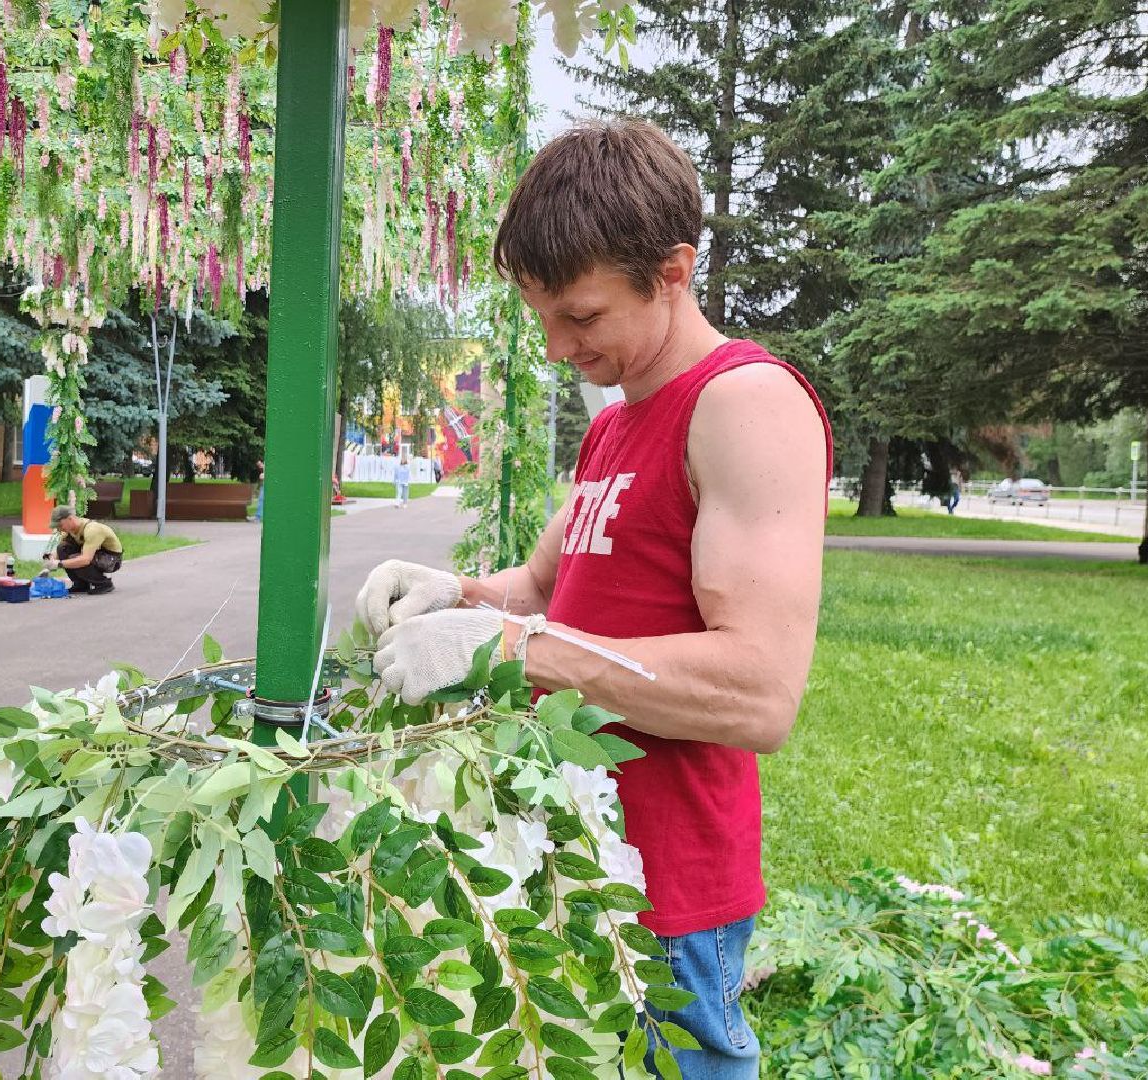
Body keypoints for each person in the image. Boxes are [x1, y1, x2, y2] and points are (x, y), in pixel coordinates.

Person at [356, 120, 831, 1079]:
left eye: (580, 315)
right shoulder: (616, 424)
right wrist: (454, 594)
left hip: (666, 898)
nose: (556, 346)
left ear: (674, 270)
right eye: (542, 317)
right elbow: (546, 590)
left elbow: (761, 691)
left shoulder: (743, 404)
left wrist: (511, 649)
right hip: (569, 869)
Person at [45, 505, 123, 595]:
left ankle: (103, 584)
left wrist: (59, 564)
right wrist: (49, 561)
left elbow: (85, 560)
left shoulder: (92, 529)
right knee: (62, 548)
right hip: (96, 555)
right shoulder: (69, 531)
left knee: (77, 559)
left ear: (70, 519)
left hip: (112, 560)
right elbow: (60, 552)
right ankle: (81, 584)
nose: (59, 529)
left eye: (60, 525)